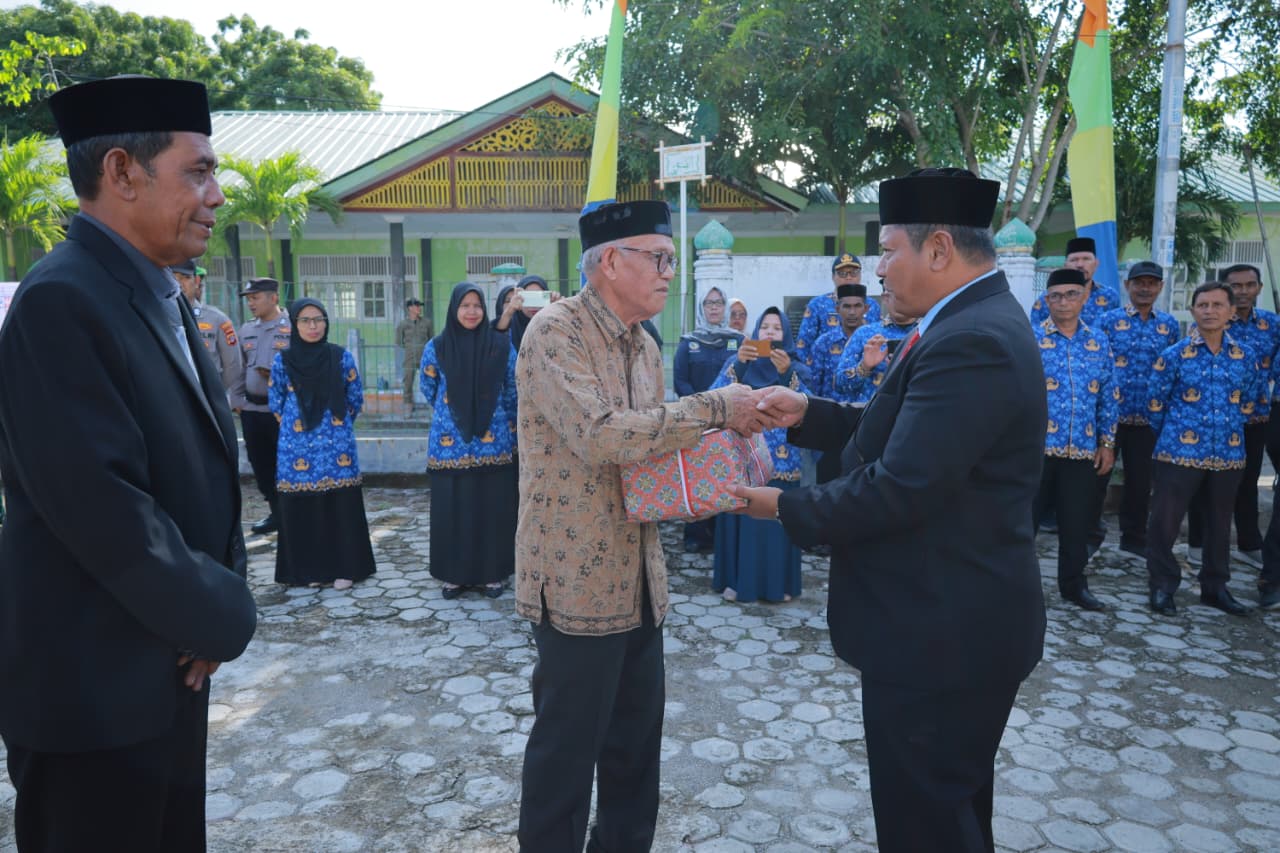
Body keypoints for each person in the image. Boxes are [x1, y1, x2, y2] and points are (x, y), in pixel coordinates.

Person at [733, 168, 1047, 853]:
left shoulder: (973, 340)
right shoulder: (967, 319)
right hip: (946, 625)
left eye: (890, 251)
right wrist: (807, 413)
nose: (880, 271)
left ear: (938, 249)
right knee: (950, 814)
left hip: (942, 633)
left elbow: (902, 483)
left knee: (928, 825)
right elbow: (903, 431)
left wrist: (785, 506)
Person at [0, 75, 257, 851]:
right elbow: (107, 509)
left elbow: (205, 464)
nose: (216, 195)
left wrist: (209, 608)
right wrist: (221, 610)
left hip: (167, 667)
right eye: (198, 172)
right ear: (121, 172)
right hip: (93, 698)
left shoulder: (157, 291)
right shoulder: (61, 301)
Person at [514, 199, 766, 852]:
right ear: (608, 262)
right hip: (575, 586)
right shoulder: (554, 332)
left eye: (671, 259)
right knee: (564, 763)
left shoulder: (647, 346)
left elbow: (654, 452)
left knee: (634, 763)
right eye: (657, 257)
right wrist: (714, 406)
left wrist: (720, 462)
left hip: (642, 584)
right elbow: (602, 437)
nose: (667, 272)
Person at [1146, 281, 1259, 617]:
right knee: (1165, 523)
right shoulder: (1175, 355)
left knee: (1219, 524)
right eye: (1203, 305)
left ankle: (1215, 587)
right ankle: (1163, 586)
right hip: (1178, 454)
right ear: (1193, 310)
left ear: (1231, 312)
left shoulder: (1245, 357)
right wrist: (1179, 434)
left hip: (1227, 455)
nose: (1210, 311)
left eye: (1217, 305)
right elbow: (1156, 405)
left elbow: (1252, 402)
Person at [270, 297, 376, 591]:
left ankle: (346, 568)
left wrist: (335, 427)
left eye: (319, 319)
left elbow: (354, 398)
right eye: (305, 320)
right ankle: (310, 570)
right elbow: (276, 402)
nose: (313, 326)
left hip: (336, 448)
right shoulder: (283, 360)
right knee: (305, 508)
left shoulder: (340, 358)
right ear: (294, 324)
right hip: (297, 448)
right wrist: (298, 429)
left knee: (339, 507)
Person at [420, 282, 519, 599]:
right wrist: (454, 411)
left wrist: (504, 422)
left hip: (494, 442)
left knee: (491, 508)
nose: (472, 311)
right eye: (465, 305)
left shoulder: (500, 346)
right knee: (453, 509)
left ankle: (493, 574)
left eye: (477, 305)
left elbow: (512, 388)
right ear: (454, 309)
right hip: (449, 444)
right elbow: (429, 387)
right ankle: (454, 576)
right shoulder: (437, 346)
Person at [1032, 268, 1119, 611]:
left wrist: (1107, 443)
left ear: (1085, 297)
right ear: (1046, 300)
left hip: (1083, 451)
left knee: (1076, 523)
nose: (1063, 301)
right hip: (1036, 451)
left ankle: (1073, 586)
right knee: (1025, 523)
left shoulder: (1099, 343)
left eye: (1071, 294)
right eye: (1056, 295)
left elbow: (1109, 397)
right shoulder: (1032, 340)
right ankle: (1018, 588)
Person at [1185, 262, 1280, 568]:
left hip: (1254, 418)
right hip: (1212, 417)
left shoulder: (1271, 324)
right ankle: (1198, 544)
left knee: (1247, 480)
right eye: (1236, 286)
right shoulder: (1210, 321)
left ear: (1259, 289)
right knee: (1205, 480)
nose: (1243, 292)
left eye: (1249, 285)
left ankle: (1249, 543)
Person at [711, 306, 807, 602]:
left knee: (778, 520)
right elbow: (711, 398)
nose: (769, 332)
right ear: (755, 332)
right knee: (742, 515)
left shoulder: (797, 367)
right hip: (742, 458)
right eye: (764, 326)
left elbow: (810, 404)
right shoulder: (737, 362)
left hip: (783, 462)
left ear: (785, 335)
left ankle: (780, 584)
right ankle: (736, 581)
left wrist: (786, 372)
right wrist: (738, 366)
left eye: (776, 328)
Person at [1096, 261, 1180, 557]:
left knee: (1140, 482)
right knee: (1097, 477)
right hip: (1110, 417)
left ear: (1160, 287)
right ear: (1127, 286)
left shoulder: (1169, 325)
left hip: (1147, 420)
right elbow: (1097, 366)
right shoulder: (1108, 321)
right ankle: (1089, 532)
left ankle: (1133, 537)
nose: (1145, 288)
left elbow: (1172, 370)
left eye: (1151, 283)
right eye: (1139, 283)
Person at [673, 286, 744, 552]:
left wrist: (725, 414)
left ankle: (723, 537)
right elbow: (680, 380)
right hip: (698, 422)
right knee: (698, 476)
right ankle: (696, 535)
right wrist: (703, 411)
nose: (714, 308)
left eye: (719, 303)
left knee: (727, 476)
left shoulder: (738, 341)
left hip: (730, 422)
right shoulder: (688, 342)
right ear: (701, 308)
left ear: (725, 307)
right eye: (709, 303)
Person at [231, 277, 292, 535]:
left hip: (282, 413)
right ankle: (276, 514)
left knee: (286, 464)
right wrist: (237, 401)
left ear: (274, 297)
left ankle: (292, 514)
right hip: (252, 411)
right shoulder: (246, 330)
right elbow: (239, 368)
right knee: (261, 464)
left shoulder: (292, 327)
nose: (251, 303)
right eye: (249, 299)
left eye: (256, 298)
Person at [832, 283, 918, 406]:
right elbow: (839, 385)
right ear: (885, 298)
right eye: (896, 296)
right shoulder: (865, 333)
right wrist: (864, 367)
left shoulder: (927, 332)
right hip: (869, 416)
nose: (901, 302)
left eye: (906, 296)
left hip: (912, 413)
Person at [173, 258, 243, 393]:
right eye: (173, 278)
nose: (179, 284)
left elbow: (233, 366)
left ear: (197, 282)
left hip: (208, 398)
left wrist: (214, 392)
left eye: (185, 278)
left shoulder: (217, 319)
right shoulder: (160, 319)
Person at [795, 253, 882, 362]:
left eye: (854, 273)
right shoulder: (817, 305)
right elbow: (803, 347)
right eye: (842, 274)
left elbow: (880, 340)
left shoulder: (872, 306)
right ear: (833, 277)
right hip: (826, 370)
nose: (849, 277)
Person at [1029, 236, 1122, 327]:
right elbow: (1034, 336)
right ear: (1065, 265)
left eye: (1086, 259)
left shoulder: (1109, 296)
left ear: (1096, 264)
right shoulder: (1049, 299)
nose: (1080, 265)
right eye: (1074, 260)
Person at [808, 283, 869, 400]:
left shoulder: (875, 341)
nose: (852, 312)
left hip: (867, 412)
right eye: (846, 306)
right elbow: (813, 385)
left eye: (857, 306)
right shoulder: (823, 343)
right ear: (837, 309)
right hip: (831, 413)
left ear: (866, 308)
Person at [494, 273, 559, 351]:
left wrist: (560, 309)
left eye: (538, 298)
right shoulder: (510, 326)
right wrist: (509, 310)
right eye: (529, 298)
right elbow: (496, 334)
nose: (534, 305)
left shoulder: (553, 323)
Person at [396, 297, 433, 417]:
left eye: (419, 306)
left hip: (425, 357)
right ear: (410, 308)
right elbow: (399, 342)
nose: (419, 308)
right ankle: (408, 406)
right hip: (410, 357)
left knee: (430, 380)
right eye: (416, 306)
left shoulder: (427, 322)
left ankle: (432, 405)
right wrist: (410, 348)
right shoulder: (403, 324)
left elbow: (432, 339)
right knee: (407, 381)